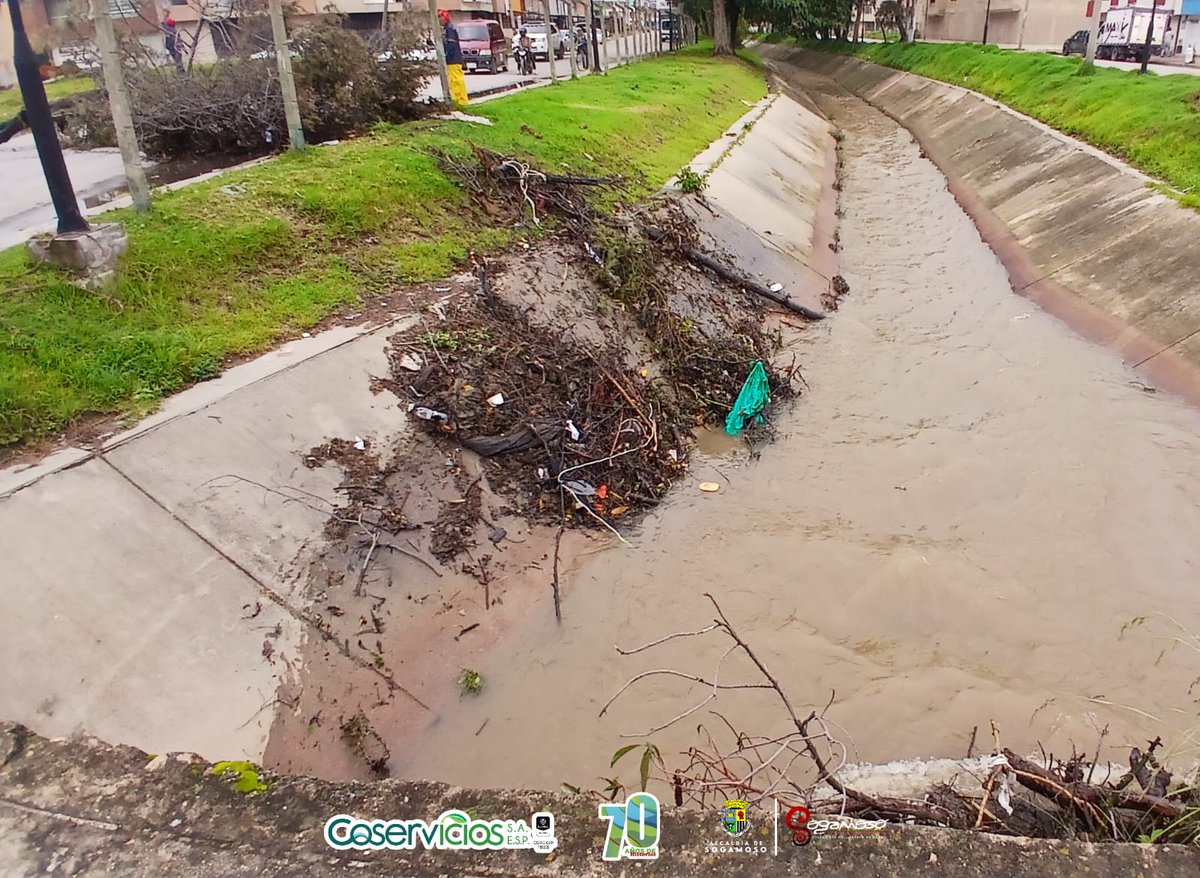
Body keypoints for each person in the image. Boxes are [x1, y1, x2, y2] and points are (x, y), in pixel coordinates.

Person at [437, 9, 468, 107]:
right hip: (454, 59)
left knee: (456, 81)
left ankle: (461, 101)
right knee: (455, 80)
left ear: (444, 17)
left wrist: (446, 56)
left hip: (453, 60)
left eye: (439, 17)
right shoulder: (449, 28)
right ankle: (459, 100)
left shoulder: (449, 29)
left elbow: (451, 45)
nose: (438, 19)